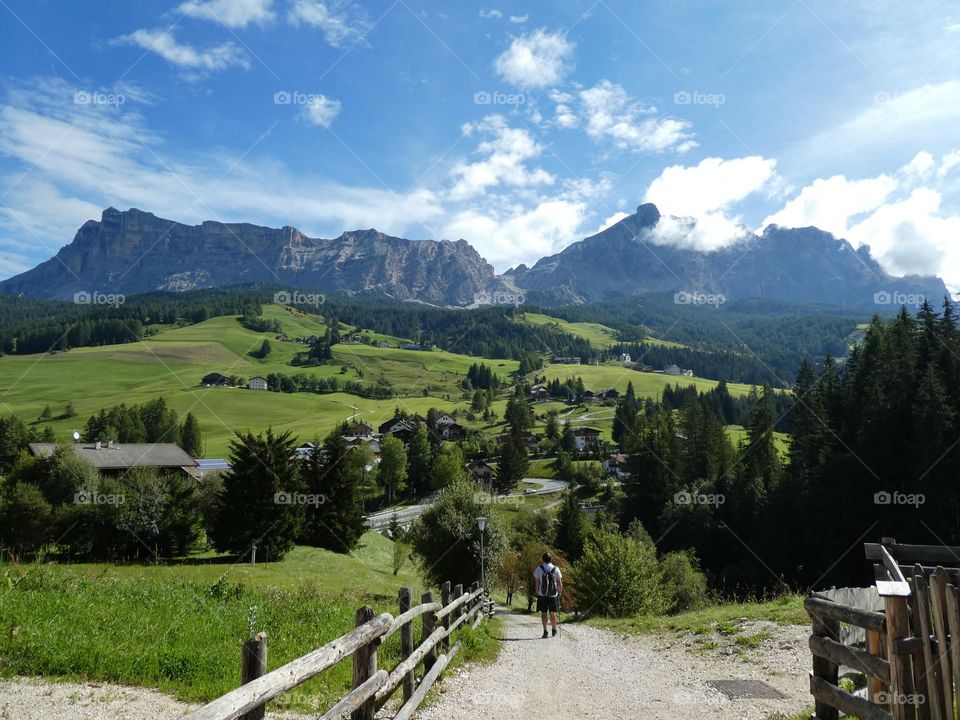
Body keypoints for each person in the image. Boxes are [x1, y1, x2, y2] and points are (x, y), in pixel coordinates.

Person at [533, 552, 563, 638]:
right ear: (551, 559)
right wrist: (559, 592)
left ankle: (545, 631)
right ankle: (554, 629)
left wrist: (538, 593)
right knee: (553, 612)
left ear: (543, 559)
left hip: (542, 595)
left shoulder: (539, 569)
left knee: (544, 613)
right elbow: (560, 584)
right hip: (553, 595)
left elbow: (537, 583)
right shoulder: (556, 569)